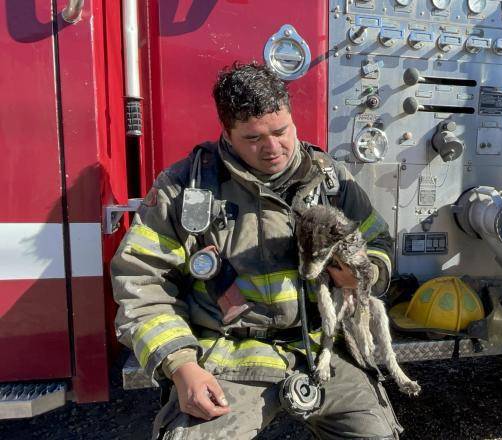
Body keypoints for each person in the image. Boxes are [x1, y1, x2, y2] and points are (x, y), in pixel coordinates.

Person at [111, 62, 401, 439]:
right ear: (227, 135)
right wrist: (182, 365)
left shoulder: (330, 179)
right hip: (227, 358)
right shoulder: (183, 188)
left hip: (322, 350)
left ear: (293, 120)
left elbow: (378, 243)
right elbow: (142, 283)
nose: (273, 148)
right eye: (253, 138)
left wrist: (364, 273)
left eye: (281, 131)